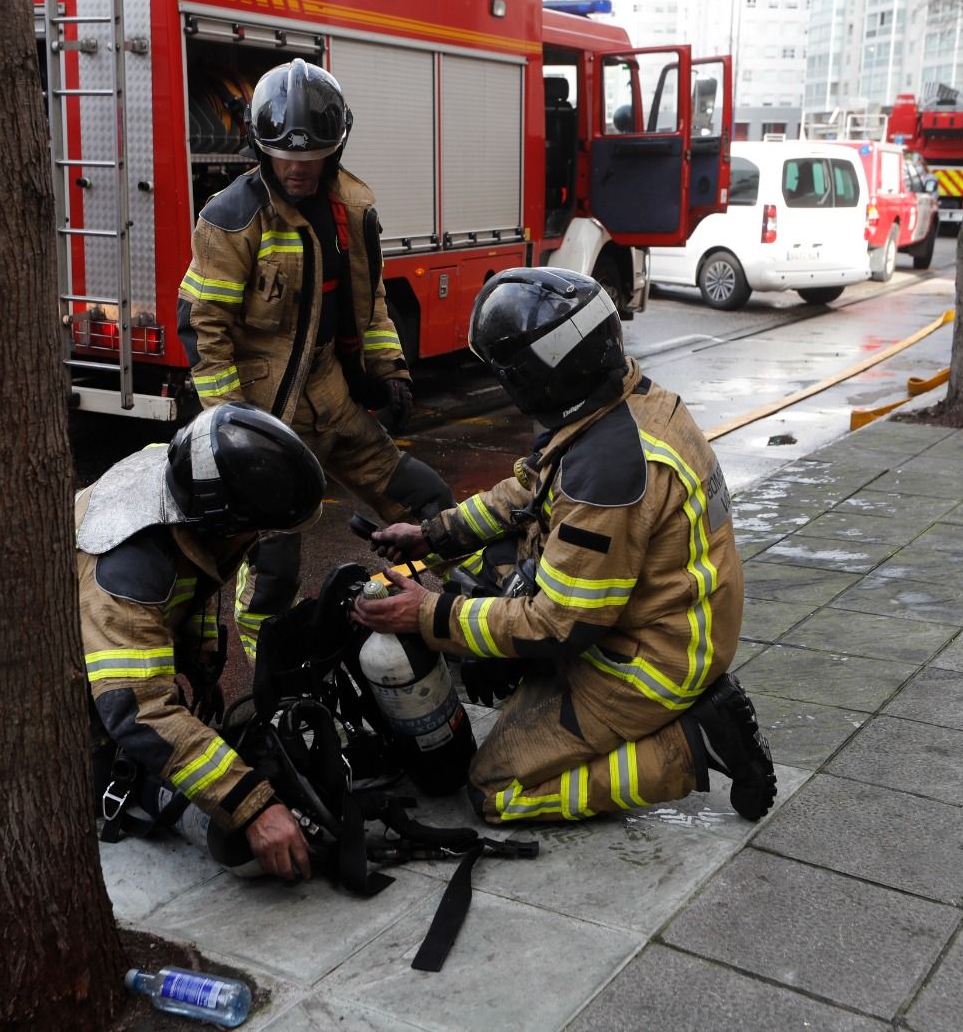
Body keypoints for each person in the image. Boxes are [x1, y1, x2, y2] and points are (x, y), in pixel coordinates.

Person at [353, 268, 777, 826]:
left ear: (538, 378)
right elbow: (530, 490)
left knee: (494, 791)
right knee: (483, 570)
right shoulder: (616, 401)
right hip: (665, 614)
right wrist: (434, 535)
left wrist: (429, 614)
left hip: (651, 659)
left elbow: (560, 625)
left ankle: (695, 742)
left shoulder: (609, 470)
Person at [177, 58, 452, 662]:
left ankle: (478, 618)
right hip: (266, 418)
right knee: (275, 565)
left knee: (431, 505)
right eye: (283, 153)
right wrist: (233, 428)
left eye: (312, 152)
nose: (297, 165)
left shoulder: (352, 211)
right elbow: (203, 326)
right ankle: (272, 668)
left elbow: (370, 301)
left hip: (333, 398)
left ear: (336, 147)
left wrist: (390, 369)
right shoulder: (233, 219)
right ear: (260, 147)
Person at [77, 402, 326, 881]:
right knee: (232, 839)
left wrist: (202, 659)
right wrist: (252, 808)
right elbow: (137, 709)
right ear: (221, 520)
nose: (259, 539)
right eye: (256, 528)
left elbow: (191, 579)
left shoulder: (186, 478)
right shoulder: (126, 566)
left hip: (109, 658)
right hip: (77, 706)